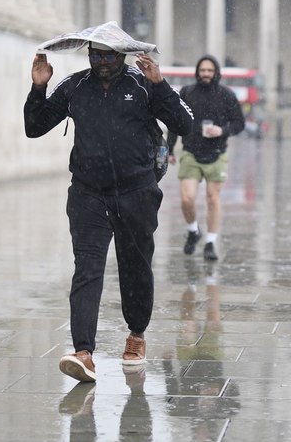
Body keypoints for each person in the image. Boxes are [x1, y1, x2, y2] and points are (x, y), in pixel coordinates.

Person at [24, 42, 193, 383]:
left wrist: (159, 86)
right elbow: (34, 126)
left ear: (122, 56)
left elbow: (184, 123)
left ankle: (137, 335)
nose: (102, 63)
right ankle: (83, 351)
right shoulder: (75, 86)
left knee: (135, 267)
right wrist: (39, 87)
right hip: (88, 193)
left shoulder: (143, 83)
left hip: (137, 191)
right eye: (96, 56)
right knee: (87, 269)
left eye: (109, 56)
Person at [167, 55, 245, 261]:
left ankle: (210, 242)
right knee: (187, 199)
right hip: (191, 152)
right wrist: (169, 149)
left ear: (216, 72)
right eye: (203, 70)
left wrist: (222, 130)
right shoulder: (187, 92)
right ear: (197, 72)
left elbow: (239, 123)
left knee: (213, 198)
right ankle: (193, 231)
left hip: (217, 153)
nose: (206, 74)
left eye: (210, 71)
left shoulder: (226, 95)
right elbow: (176, 120)